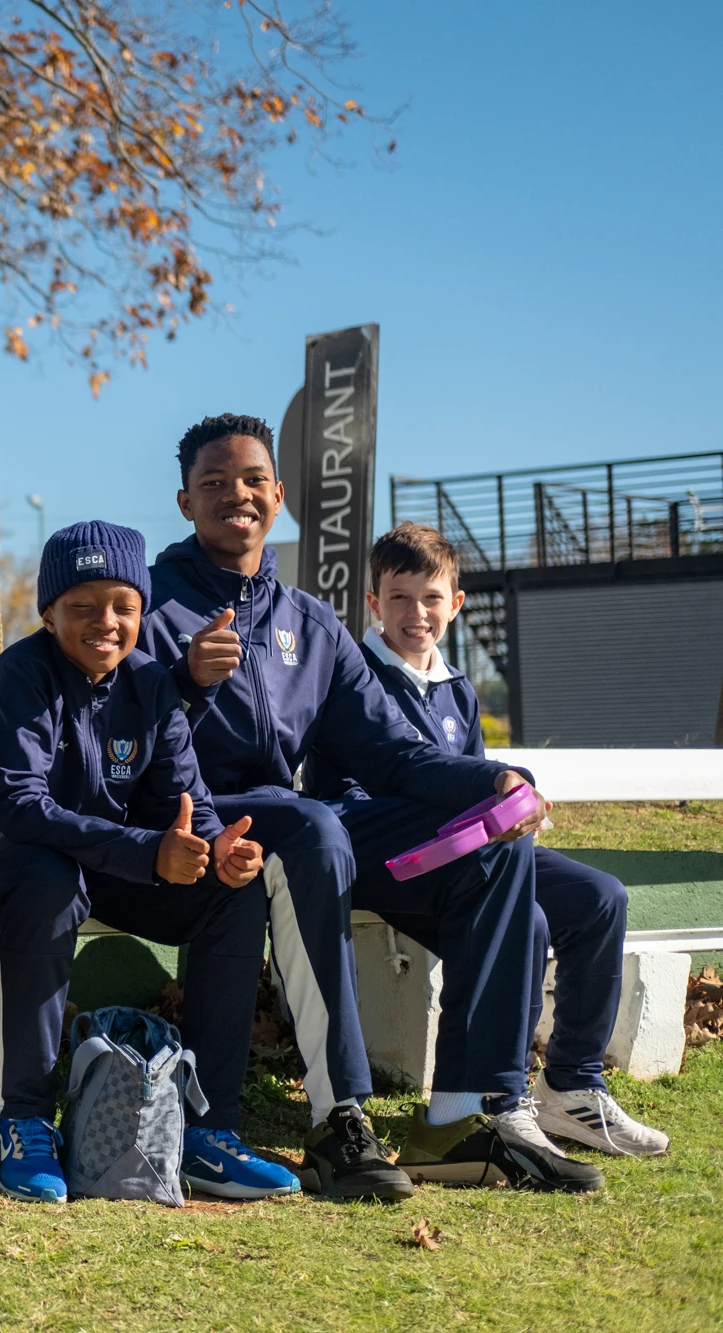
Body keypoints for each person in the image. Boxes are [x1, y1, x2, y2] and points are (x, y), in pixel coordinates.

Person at [141, 413, 601, 1193]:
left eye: (253, 480)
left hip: (282, 813)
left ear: (278, 496)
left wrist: (494, 784)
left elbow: (392, 750)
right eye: (214, 483)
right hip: (187, 814)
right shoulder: (149, 602)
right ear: (185, 502)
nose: (236, 495)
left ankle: (460, 1113)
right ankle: (340, 1119)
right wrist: (182, 681)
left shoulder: (312, 624)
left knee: (494, 842)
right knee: (316, 827)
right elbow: (118, 731)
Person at [0, 520, 350, 1203]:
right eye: (83, 606)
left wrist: (219, 848)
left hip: (100, 857)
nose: (106, 621)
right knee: (48, 878)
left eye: (124, 606)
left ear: (142, 611)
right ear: (49, 612)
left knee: (232, 897)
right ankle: (24, 1118)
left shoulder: (152, 684)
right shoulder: (19, 673)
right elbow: (21, 808)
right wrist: (145, 851)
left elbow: (186, 793)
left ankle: (209, 1129)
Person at [329, 521, 666, 1156]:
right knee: (527, 922)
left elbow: (471, 793)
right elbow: (397, 776)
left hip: (465, 854)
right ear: (372, 603)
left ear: (455, 604)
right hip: (376, 854)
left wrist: (510, 806)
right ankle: (491, 1102)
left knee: (601, 898)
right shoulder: (355, 677)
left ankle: (572, 1088)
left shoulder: (456, 688)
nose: (416, 613)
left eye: (431, 597)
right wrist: (498, 793)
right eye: (398, 597)